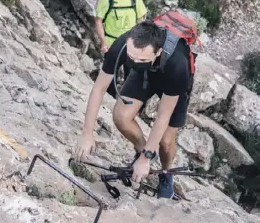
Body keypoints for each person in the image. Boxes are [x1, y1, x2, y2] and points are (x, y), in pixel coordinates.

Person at [75, 20, 195, 199]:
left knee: (166, 142)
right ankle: (141, 151)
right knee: (121, 116)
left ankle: (166, 173)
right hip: (145, 76)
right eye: (131, 57)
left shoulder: (178, 64)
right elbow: (99, 88)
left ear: (158, 52)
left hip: (171, 82)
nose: (134, 61)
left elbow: (163, 116)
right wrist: (87, 134)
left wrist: (147, 157)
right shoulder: (123, 46)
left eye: (141, 59)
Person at [95, 0, 148, 98]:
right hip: (112, 44)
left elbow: (142, 18)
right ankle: (110, 98)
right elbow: (98, 21)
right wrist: (103, 43)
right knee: (110, 73)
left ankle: (126, 99)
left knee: (131, 75)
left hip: (131, 44)